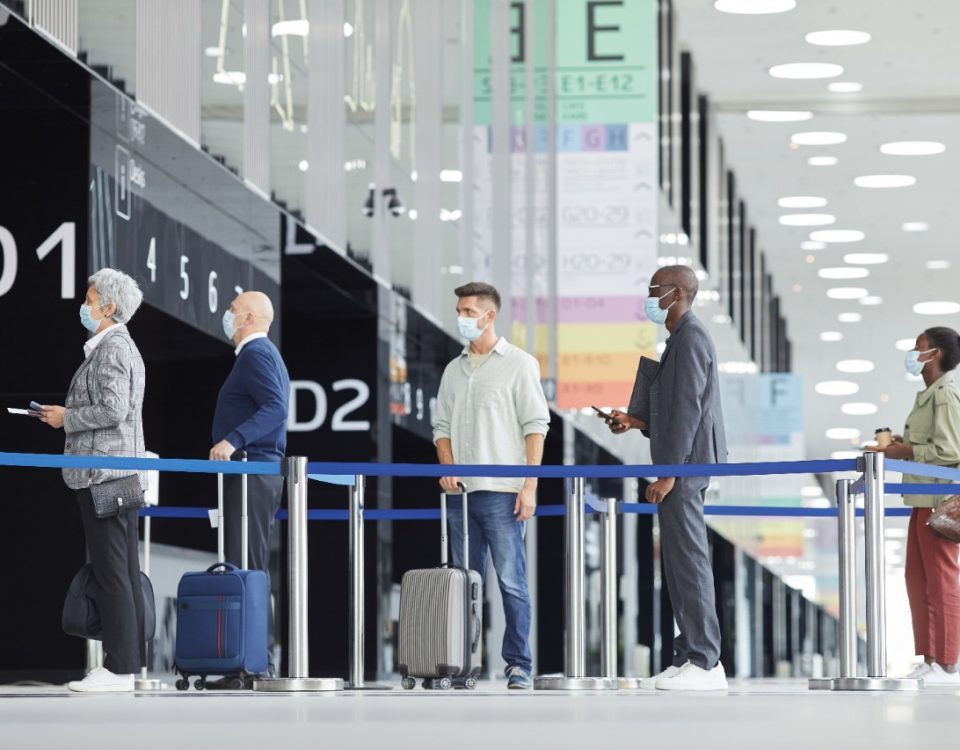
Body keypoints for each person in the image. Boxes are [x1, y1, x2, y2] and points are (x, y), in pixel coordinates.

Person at [603, 265, 728, 691]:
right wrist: (636, 420)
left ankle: (705, 661)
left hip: (685, 467)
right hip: (683, 463)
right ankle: (688, 654)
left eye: (653, 289)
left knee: (689, 560)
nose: (649, 296)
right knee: (677, 562)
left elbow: (691, 410)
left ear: (675, 293)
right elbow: (675, 410)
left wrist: (670, 473)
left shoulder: (691, 337)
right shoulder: (680, 340)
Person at [432, 282, 550, 689]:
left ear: (489, 315)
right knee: (463, 583)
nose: (461, 317)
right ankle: (463, 663)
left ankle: (518, 664)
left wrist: (529, 486)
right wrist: (447, 469)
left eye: (468, 310)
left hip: (503, 491)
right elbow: (441, 428)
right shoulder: (454, 369)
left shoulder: (519, 364)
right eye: (459, 310)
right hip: (459, 494)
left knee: (511, 582)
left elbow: (536, 427)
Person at [38, 268, 146, 693]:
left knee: (112, 571)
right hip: (114, 473)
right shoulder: (111, 347)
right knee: (122, 570)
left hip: (104, 474)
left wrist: (67, 419)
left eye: (89, 298)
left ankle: (119, 668)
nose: (84, 305)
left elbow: (113, 411)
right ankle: (127, 664)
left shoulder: (113, 348)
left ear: (108, 307)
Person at [868, 328, 960, 687]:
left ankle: (949, 662)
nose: (913, 353)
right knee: (917, 580)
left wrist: (904, 452)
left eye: (918, 348)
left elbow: (952, 451)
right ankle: (930, 658)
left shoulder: (946, 395)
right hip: (922, 498)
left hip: (939, 500)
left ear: (934, 354)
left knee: (941, 581)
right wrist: (907, 445)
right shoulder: (931, 395)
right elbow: (934, 443)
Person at [209, 291, 289, 680]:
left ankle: (259, 663)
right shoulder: (262, 355)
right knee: (245, 564)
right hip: (252, 472)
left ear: (249, 317)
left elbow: (275, 407)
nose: (227, 316)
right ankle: (250, 661)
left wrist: (232, 439)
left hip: (251, 470)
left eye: (232, 311)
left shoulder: (257, 354)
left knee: (248, 565)